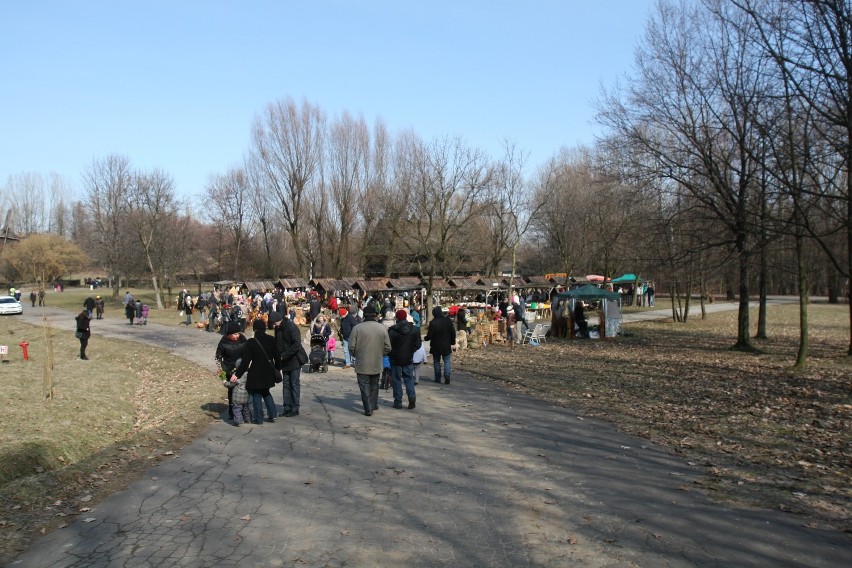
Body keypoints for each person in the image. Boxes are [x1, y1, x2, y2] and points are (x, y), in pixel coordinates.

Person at [232, 318, 280, 424]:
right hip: (268, 371)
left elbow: (245, 362)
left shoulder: (251, 342)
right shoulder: (272, 340)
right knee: (266, 392)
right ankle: (273, 414)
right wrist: (277, 369)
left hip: (256, 372)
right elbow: (277, 357)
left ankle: (258, 418)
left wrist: (237, 374)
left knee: (257, 394)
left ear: (255, 330)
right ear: (264, 328)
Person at [348, 304, 391, 416]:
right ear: (375, 315)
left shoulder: (357, 328)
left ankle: (368, 408)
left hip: (362, 362)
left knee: (364, 386)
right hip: (377, 361)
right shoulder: (382, 328)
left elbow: (351, 346)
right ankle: (373, 404)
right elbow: (388, 347)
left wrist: (356, 355)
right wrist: (381, 354)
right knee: (374, 384)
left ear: (364, 315)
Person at [270, 310, 308, 418]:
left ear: (278, 321)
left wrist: (284, 355)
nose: (273, 326)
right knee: (286, 384)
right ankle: (287, 407)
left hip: (295, 359)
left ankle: (295, 407)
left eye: (274, 323)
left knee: (294, 384)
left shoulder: (291, 327)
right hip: (284, 361)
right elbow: (277, 343)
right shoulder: (278, 329)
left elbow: (296, 344)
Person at [388, 309, 421, 409]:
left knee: (397, 380)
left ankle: (398, 402)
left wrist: (391, 353)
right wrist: (411, 351)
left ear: (397, 318)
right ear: (406, 317)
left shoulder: (392, 330)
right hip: (408, 359)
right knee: (409, 379)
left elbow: (388, 345)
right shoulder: (414, 329)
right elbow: (418, 344)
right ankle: (411, 396)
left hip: (395, 359)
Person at [216, 321, 247, 421]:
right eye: (235, 334)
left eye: (238, 333)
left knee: (243, 390)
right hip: (228, 368)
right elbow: (218, 357)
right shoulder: (223, 341)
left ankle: (244, 412)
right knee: (231, 391)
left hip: (241, 368)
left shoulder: (243, 339)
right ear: (229, 334)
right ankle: (232, 411)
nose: (237, 335)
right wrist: (222, 374)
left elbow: (248, 354)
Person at [425, 306, 456, 385]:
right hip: (446, 344)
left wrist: (426, 338)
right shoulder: (448, 321)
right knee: (447, 361)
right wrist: (452, 342)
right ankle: (447, 375)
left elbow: (430, 335)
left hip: (436, 345)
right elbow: (453, 333)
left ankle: (438, 378)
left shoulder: (433, 322)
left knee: (436, 361)